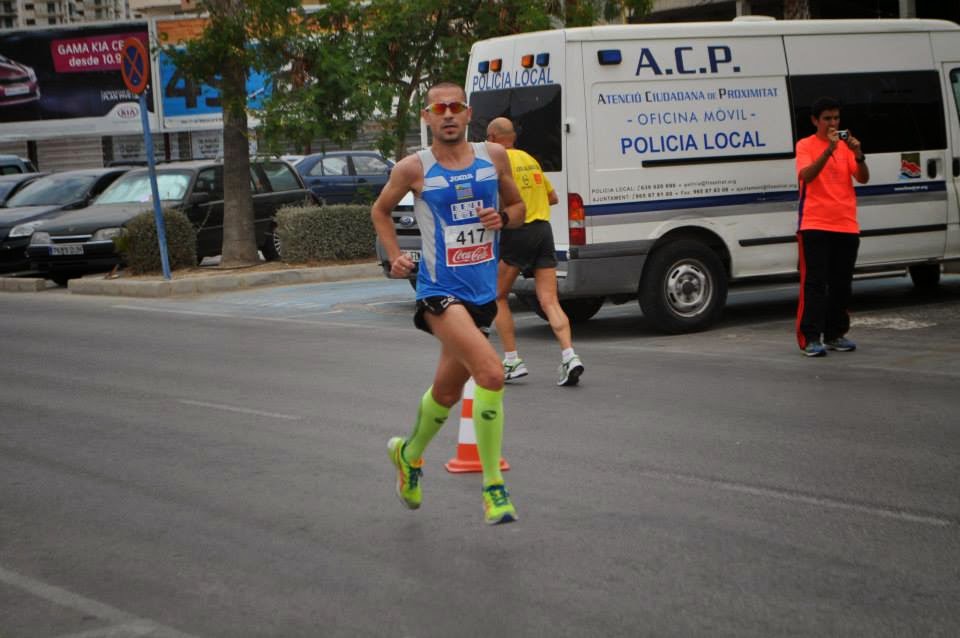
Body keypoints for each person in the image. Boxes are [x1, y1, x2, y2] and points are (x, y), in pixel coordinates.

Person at [370, 82, 525, 525]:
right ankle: (494, 488)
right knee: (490, 372)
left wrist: (502, 218)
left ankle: (408, 454)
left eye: (455, 107)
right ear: (427, 117)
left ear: (468, 112)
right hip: (438, 291)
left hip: (482, 295)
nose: (448, 114)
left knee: (446, 392)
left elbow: (518, 208)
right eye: (439, 109)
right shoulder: (413, 168)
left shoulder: (493, 158)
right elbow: (380, 211)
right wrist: (395, 256)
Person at [485, 117, 585, 386]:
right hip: (543, 231)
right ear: (513, 137)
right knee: (550, 300)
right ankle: (569, 355)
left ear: (492, 138)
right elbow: (552, 197)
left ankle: (512, 360)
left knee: (497, 296)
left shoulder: (498, 161)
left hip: (518, 231)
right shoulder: (530, 160)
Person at [794, 96, 870, 357]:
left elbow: (863, 178)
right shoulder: (805, 145)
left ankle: (835, 334)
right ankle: (810, 338)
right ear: (815, 121)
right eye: (827, 118)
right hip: (815, 223)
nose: (833, 123)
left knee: (842, 284)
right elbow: (806, 176)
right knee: (815, 283)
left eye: (836, 118)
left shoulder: (846, 147)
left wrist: (858, 154)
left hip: (846, 224)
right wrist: (828, 151)